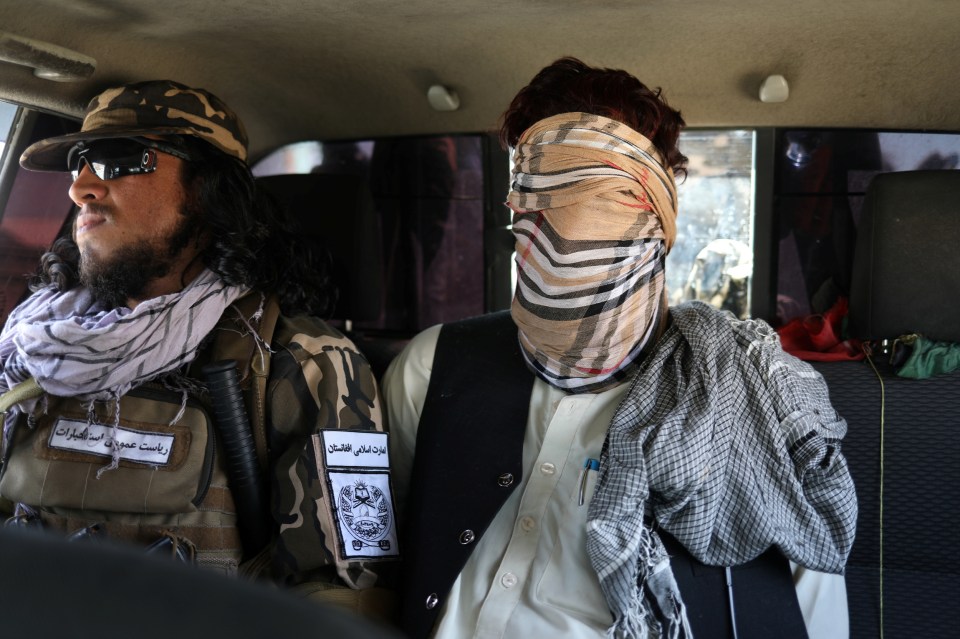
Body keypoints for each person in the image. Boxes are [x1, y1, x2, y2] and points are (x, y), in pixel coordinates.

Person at [383, 58, 857, 638]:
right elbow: (381, 548)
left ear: (655, 221)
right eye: (534, 196)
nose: (555, 228)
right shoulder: (433, 368)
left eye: (591, 198)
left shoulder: (753, 408)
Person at [0, 81, 398, 619]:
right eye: (78, 166)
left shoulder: (304, 360)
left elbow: (341, 596)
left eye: (118, 161)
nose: (82, 189)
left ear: (207, 192)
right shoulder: (29, 348)